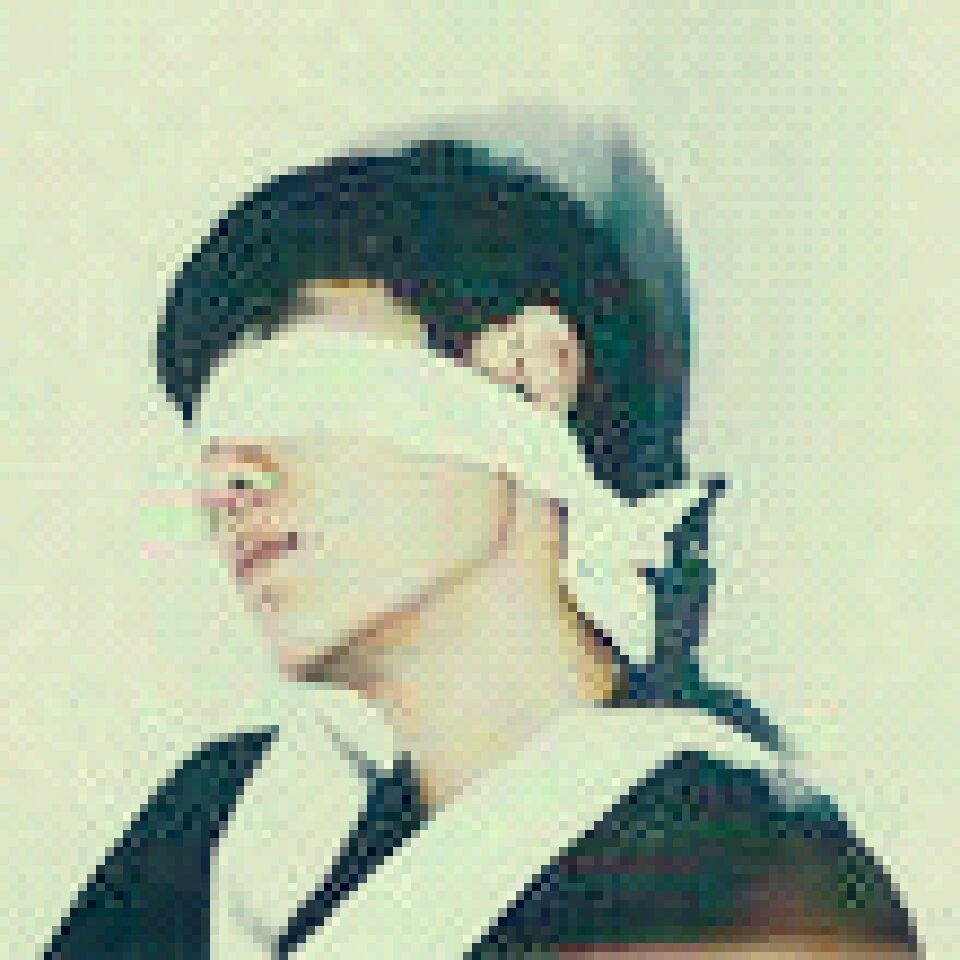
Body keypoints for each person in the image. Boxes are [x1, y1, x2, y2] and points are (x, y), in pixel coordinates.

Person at [45, 115, 921, 958]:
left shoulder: (745, 898)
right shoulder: (206, 840)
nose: (226, 482)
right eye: (210, 435)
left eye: (286, 390)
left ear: (529, 376)